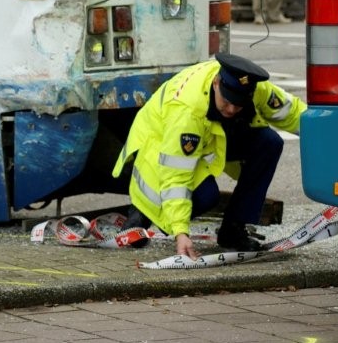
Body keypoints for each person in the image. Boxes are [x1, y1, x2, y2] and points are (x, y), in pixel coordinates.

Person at [112, 53, 306, 259]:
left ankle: (233, 230)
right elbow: (176, 174)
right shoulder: (187, 110)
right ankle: (143, 212)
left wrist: (330, 133)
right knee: (206, 196)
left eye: (239, 104)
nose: (231, 109)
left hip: (208, 139)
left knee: (270, 142)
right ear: (216, 83)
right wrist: (180, 232)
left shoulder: (256, 88)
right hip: (161, 145)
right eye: (227, 101)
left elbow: (293, 113)